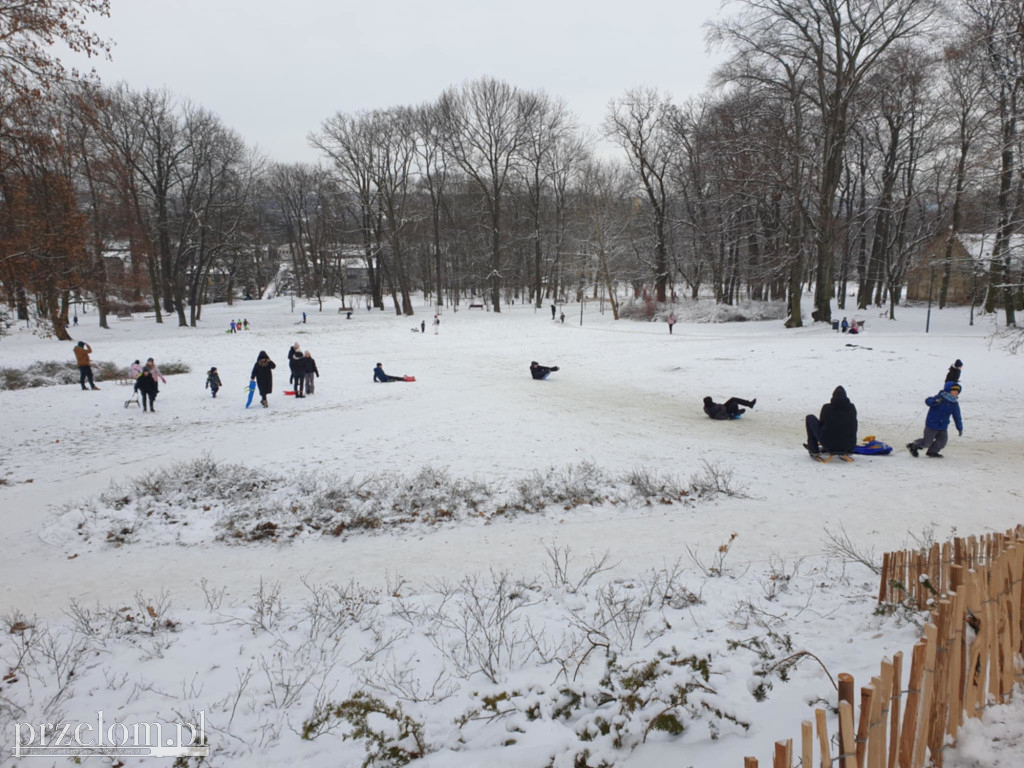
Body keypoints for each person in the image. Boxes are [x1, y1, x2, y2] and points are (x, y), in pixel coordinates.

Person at [907, 382, 963, 458]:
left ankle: (932, 451)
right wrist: (935, 402)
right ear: (948, 390)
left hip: (943, 426)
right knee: (927, 442)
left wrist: (959, 427)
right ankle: (914, 445)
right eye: (954, 390)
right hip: (932, 424)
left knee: (942, 441)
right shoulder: (940, 398)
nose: (956, 392)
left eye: (957, 391)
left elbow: (957, 416)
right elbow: (928, 401)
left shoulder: (954, 403)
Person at [804, 386, 857, 455]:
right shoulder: (851, 408)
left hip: (828, 444)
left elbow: (822, 423)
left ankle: (813, 448)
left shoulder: (827, 407)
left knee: (810, 417)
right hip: (849, 446)